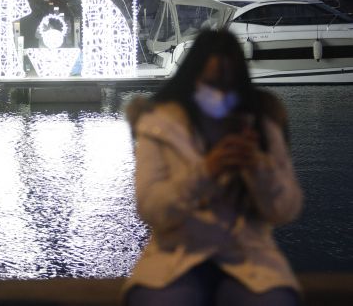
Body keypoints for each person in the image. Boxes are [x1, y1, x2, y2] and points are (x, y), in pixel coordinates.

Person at [124, 29, 302, 306]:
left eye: (227, 83)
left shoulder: (262, 125)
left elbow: (284, 209)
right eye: (211, 83)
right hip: (176, 256)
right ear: (192, 79)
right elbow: (151, 209)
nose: (219, 92)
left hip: (248, 256)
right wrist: (206, 171)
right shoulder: (159, 128)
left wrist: (257, 168)